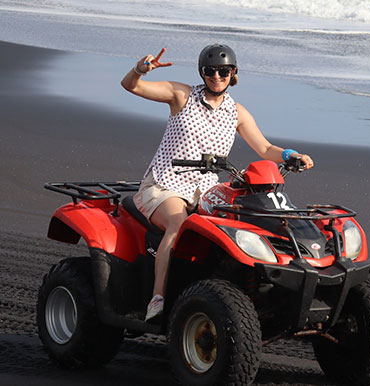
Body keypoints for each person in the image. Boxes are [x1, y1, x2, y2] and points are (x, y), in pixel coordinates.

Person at [121, 44, 314, 321]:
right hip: (165, 184)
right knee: (179, 224)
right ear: (202, 72)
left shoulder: (236, 112)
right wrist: (140, 70)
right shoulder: (181, 95)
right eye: (210, 70)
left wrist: (289, 154)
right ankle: (157, 299)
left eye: (223, 71)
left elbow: (263, 147)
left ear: (233, 73)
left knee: (242, 225)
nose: (216, 76)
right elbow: (131, 86)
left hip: (207, 192)